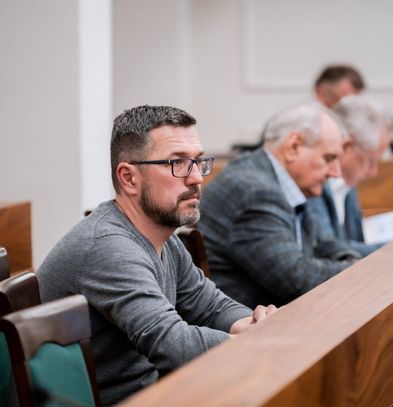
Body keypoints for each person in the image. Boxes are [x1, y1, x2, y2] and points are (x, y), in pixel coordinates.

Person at [37, 105, 276, 405]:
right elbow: (169, 342)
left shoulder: (163, 237)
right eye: (177, 163)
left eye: (198, 162)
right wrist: (253, 342)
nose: (196, 178)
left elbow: (210, 307)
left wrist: (256, 322)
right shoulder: (108, 247)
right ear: (129, 178)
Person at [198, 102, 362, 308]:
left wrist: (350, 260)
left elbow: (324, 241)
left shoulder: (287, 182)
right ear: (293, 147)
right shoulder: (253, 190)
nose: (336, 172)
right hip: (252, 322)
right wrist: (357, 270)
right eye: (329, 158)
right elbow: (296, 279)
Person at [308, 96, 390, 256]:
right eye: (370, 161)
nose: (373, 172)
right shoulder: (314, 182)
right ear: (347, 147)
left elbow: (355, 241)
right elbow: (330, 249)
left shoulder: (348, 185)